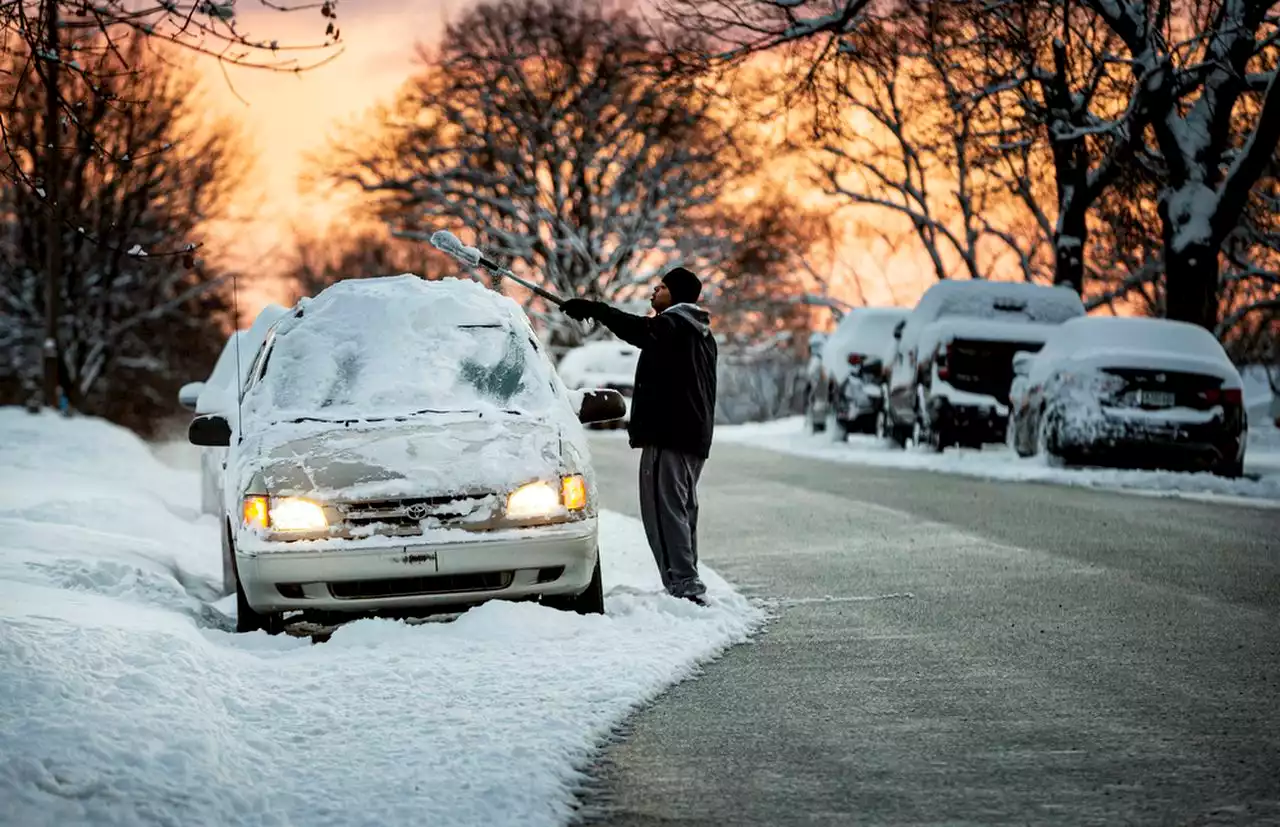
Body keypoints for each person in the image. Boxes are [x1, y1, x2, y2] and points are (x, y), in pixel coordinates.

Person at [561, 267, 717, 605]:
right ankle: (686, 583)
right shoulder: (699, 332)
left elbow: (640, 330)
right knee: (681, 509)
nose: (653, 293)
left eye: (660, 288)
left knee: (663, 511)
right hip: (693, 438)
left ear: (675, 294)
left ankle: (685, 587)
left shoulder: (676, 325)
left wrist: (596, 309)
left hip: (670, 436)